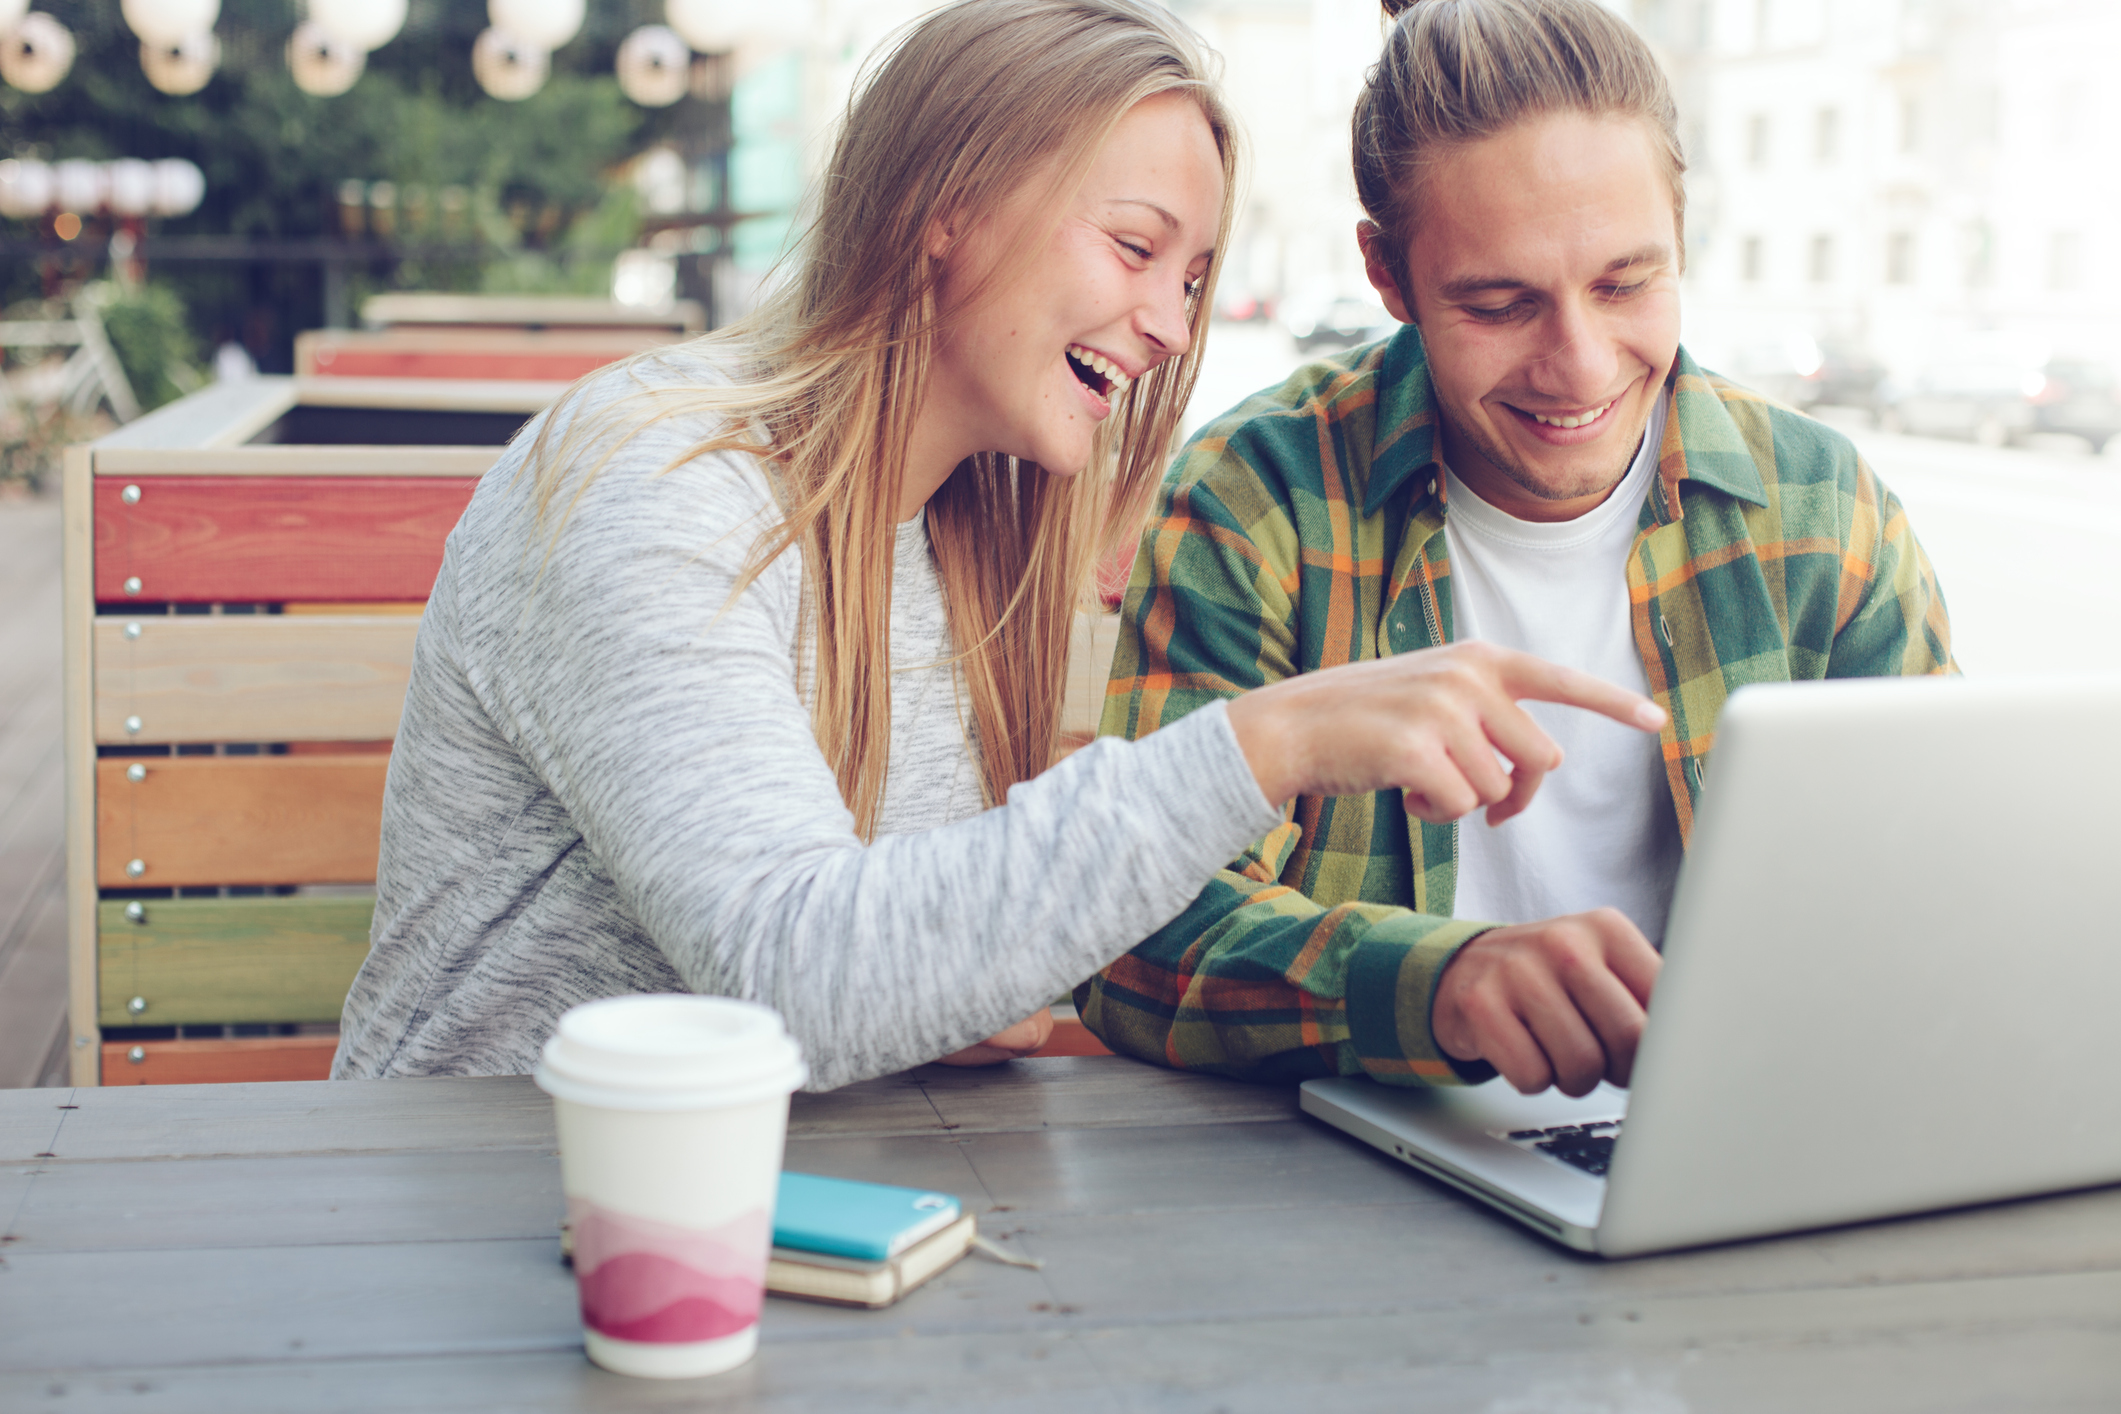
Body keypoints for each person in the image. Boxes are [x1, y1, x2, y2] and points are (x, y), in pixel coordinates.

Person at [332, 0, 1664, 1091]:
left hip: (779, 1215)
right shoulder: (651, 477)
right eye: (1136, 247)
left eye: (1191, 278)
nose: (1163, 324)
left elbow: (875, 982)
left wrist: (949, 986)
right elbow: (799, 971)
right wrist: (1276, 741)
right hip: (488, 1221)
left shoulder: (963, 542)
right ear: (945, 207)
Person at [1078, 0, 1955, 1098]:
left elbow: (1945, 899)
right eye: (1499, 304)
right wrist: (1440, 987)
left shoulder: (1827, 514)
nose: (1581, 367)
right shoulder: (1259, 500)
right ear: (1388, 278)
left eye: (1627, 284)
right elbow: (1132, 939)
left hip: (1730, 1146)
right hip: (1349, 1194)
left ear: (1683, 234)